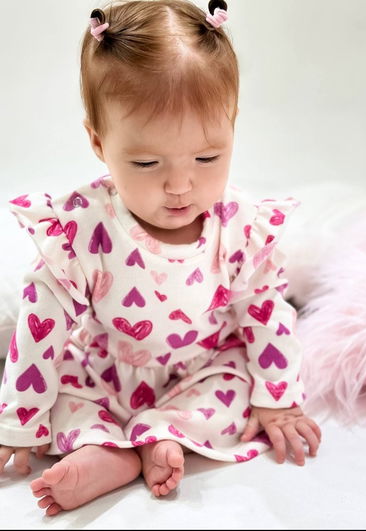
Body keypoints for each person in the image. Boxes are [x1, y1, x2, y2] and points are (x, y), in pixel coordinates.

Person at [0, 0, 321, 516]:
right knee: (59, 390)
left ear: (232, 126)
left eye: (207, 157)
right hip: (106, 369)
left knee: (243, 385)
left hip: (202, 368)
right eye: (147, 162)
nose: (179, 185)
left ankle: (163, 435)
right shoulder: (82, 227)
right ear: (99, 141)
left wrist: (278, 397)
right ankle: (104, 449)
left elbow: (264, 311)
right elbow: (40, 325)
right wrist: (20, 418)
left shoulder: (239, 224)